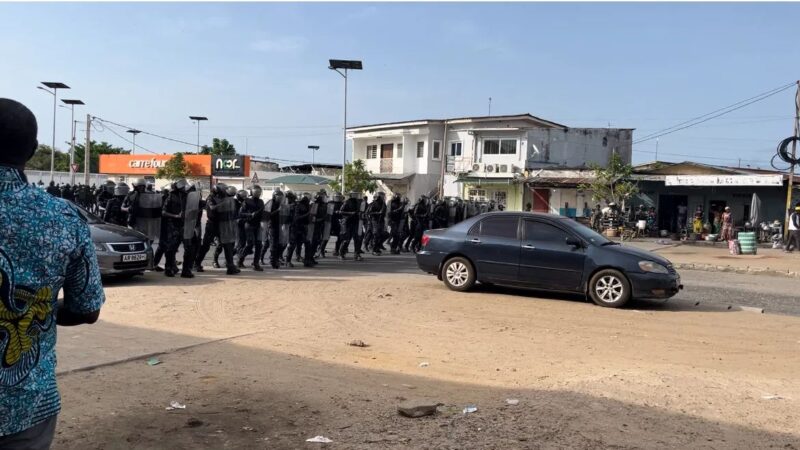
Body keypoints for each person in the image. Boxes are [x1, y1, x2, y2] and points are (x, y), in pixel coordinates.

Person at [0, 98, 104, 449]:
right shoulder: (62, 217)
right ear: (32, 150)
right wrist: (33, 311)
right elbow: (87, 309)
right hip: (26, 404)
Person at [161, 180, 186, 277]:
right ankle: (168, 268)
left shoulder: (185, 196)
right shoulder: (170, 197)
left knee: (176, 248)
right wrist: (175, 216)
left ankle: (173, 266)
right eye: (182, 187)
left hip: (182, 225)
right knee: (170, 248)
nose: (184, 188)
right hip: (172, 225)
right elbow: (163, 212)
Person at [238, 185, 265, 271]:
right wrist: (250, 214)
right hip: (249, 224)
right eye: (256, 192)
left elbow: (263, 213)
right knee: (250, 244)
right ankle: (240, 260)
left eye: (259, 192)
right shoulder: (246, 201)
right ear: (252, 192)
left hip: (258, 225)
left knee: (259, 245)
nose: (258, 193)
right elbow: (240, 214)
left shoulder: (261, 202)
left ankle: (256, 264)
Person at [338, 190, 364, 261]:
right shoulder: (347, 202)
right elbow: (341, 211)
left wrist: (362, 215)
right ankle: (341, 253)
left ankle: (357, 254)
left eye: (357, 194)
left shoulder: (360, 202)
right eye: (354, 194)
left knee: (358, 239)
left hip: (357, 222)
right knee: (346, 239)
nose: (356, 195)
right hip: (348, 223)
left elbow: (363, 211)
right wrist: (350, 213)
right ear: (351, 194)